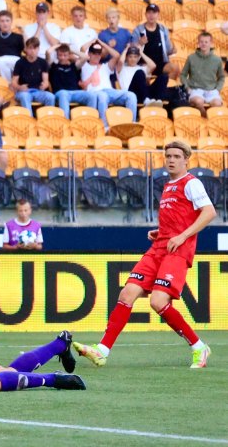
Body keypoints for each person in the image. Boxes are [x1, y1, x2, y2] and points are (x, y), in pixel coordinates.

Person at [73, 141, 215, 369]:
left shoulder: (192, 183)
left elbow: (209, 213)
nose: (171, 159)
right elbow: (182, 216)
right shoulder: (169, 186)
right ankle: (102, 351)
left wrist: (181, 236)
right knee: (127, 293)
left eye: (176, 156)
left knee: (158, 301)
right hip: (160, 247)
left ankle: (199, 347)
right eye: (168, 155)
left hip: (177, 251)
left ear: (186, 159)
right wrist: (163, 232)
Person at [80, 43, 137, 121]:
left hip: (110, 91)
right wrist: (94, 40)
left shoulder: (105, 66)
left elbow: (117, 55)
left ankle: (132, 124)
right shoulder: (83, 65)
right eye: (94, 53)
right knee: (103, 96)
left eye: (99, 54)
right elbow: (82, 49)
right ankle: (105, 126)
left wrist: (101, 42)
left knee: (131, 95)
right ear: (89, 54)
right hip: (95, 92)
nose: (97, 56)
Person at [180, 32, 225, 113]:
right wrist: (187, 87)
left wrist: (218, 89)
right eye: (201, 42)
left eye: (206, 42)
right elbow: (183, 75)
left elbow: (221, 77)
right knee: (198, 101)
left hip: (211, 90)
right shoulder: (191, 58)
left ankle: (209, 120)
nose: (203, 44)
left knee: (217, 103)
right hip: (195, 89)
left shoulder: (217, 60)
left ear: (211, 43)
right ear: (198, 43)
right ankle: (205, 117)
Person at [11, 38, 55, 114]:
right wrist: (19, 87)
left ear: (38, 49)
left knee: (50, 97)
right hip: (24, 91)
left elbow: (46, 81)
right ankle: (29, 120)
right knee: (25, 97)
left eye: (35, 48)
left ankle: (46, 119)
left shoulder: (43, 62)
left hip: (38, 91)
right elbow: (14, 82)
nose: (33, 51)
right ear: (26, 49)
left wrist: (44, 85)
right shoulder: (20, 63)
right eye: (30, 48)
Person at [132, 3, 175, 82]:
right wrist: (139, 43)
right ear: (145, 14)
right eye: (149, 13)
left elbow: (168, 51)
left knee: (175, 69)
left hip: (160, 63)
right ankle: (148, 93)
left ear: (158, 15)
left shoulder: (163, 29)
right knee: (144, 74)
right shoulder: (138, 30)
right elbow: (132, 50)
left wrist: (172, 50)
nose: (151, 15)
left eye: (154, 13)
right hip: (145, 63)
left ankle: (165, 90)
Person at [48, 43, 92, 117]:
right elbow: (48, 52)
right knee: (63, 94)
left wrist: (70, 49)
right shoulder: (53, 66)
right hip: (61, 92)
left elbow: (86, 57)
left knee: (92, 95)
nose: (62, 57)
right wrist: (58, 45)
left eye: (65, 55)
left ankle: (90, 119)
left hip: (75, 92)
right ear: (57, 55)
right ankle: (66, 121)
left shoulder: (74, 66)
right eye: (60, 55)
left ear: (69, 56)